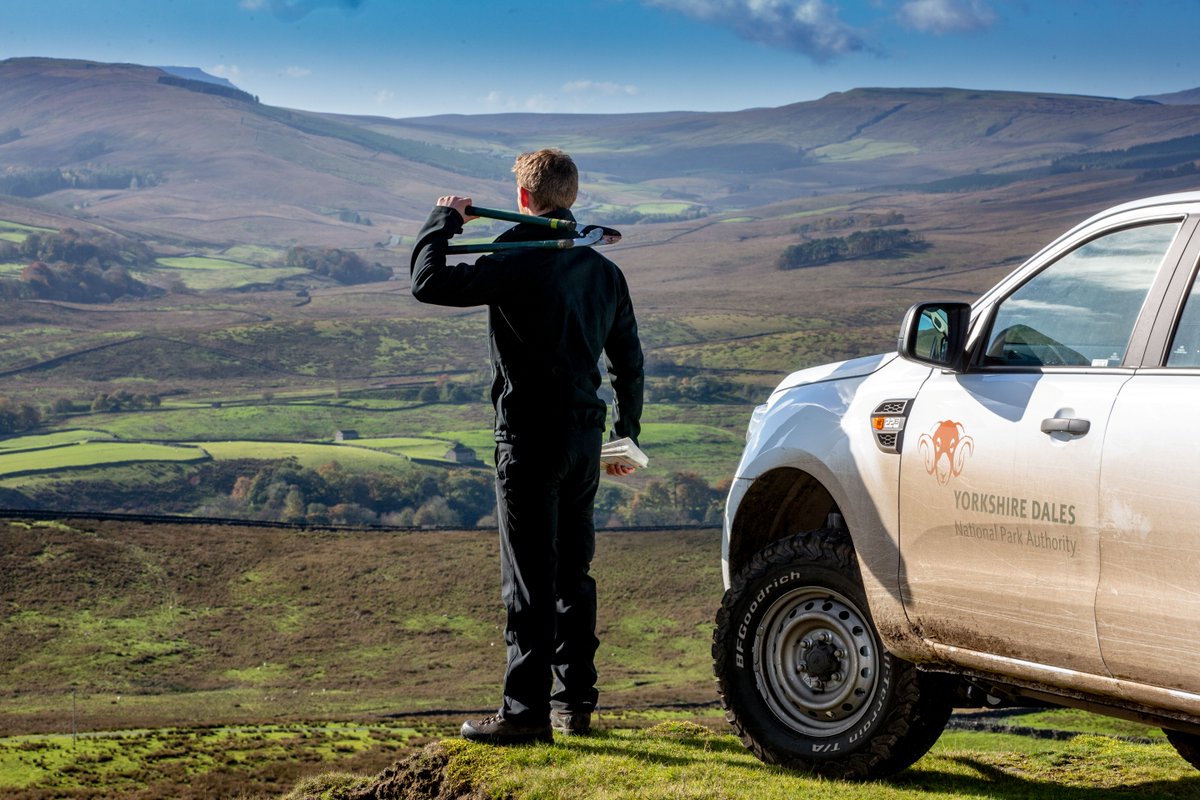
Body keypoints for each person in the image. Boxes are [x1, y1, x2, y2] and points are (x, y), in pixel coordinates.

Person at [409, 148, 645, 744]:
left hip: (528, 438)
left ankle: (523, 714)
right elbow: (628, 362)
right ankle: (574, 705)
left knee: (528, 580)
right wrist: (627, 434)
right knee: (573, 573)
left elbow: (428, 283)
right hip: (585, 438)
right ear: (570, 195)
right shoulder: (603, 271)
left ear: (523, 197)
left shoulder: (515, 258)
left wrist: (444, 219)